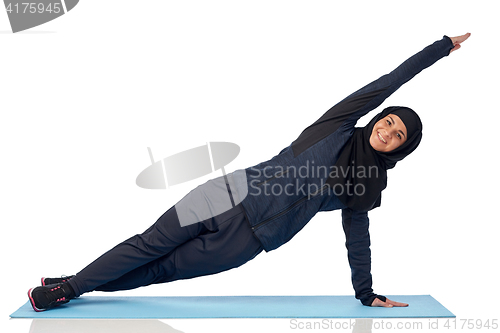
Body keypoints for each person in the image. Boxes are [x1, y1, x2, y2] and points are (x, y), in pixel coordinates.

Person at [28, 32, 471, 312]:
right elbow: (387, 83)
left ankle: (73, 283)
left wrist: (366, 291)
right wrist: (439, 49)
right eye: (389, 121)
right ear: (378, 118)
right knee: (147, 245)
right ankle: (69, 286)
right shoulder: (336, 124)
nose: (388, 131)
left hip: (248, 240)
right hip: (227, 192)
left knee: (158, 271)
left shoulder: (371, 184)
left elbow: (357, 232)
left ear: (403, 149)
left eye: (398, 135)